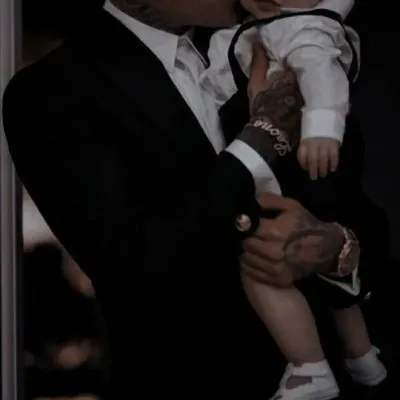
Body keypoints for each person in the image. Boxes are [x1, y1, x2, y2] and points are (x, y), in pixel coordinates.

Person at [1, 0, 381, 398]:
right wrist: (258, 141)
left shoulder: (278, 43)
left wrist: (335, 249)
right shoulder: (50, 91)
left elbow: (366, 217)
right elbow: (132, 266)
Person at [198, 0, 388, 398]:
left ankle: (309, 368)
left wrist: (321, 128)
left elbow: (319, 71)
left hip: (297, 162)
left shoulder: (301, 26)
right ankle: (363, 358)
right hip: (291, 162)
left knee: (260, 263)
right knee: (329, 266)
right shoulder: (250, 31)